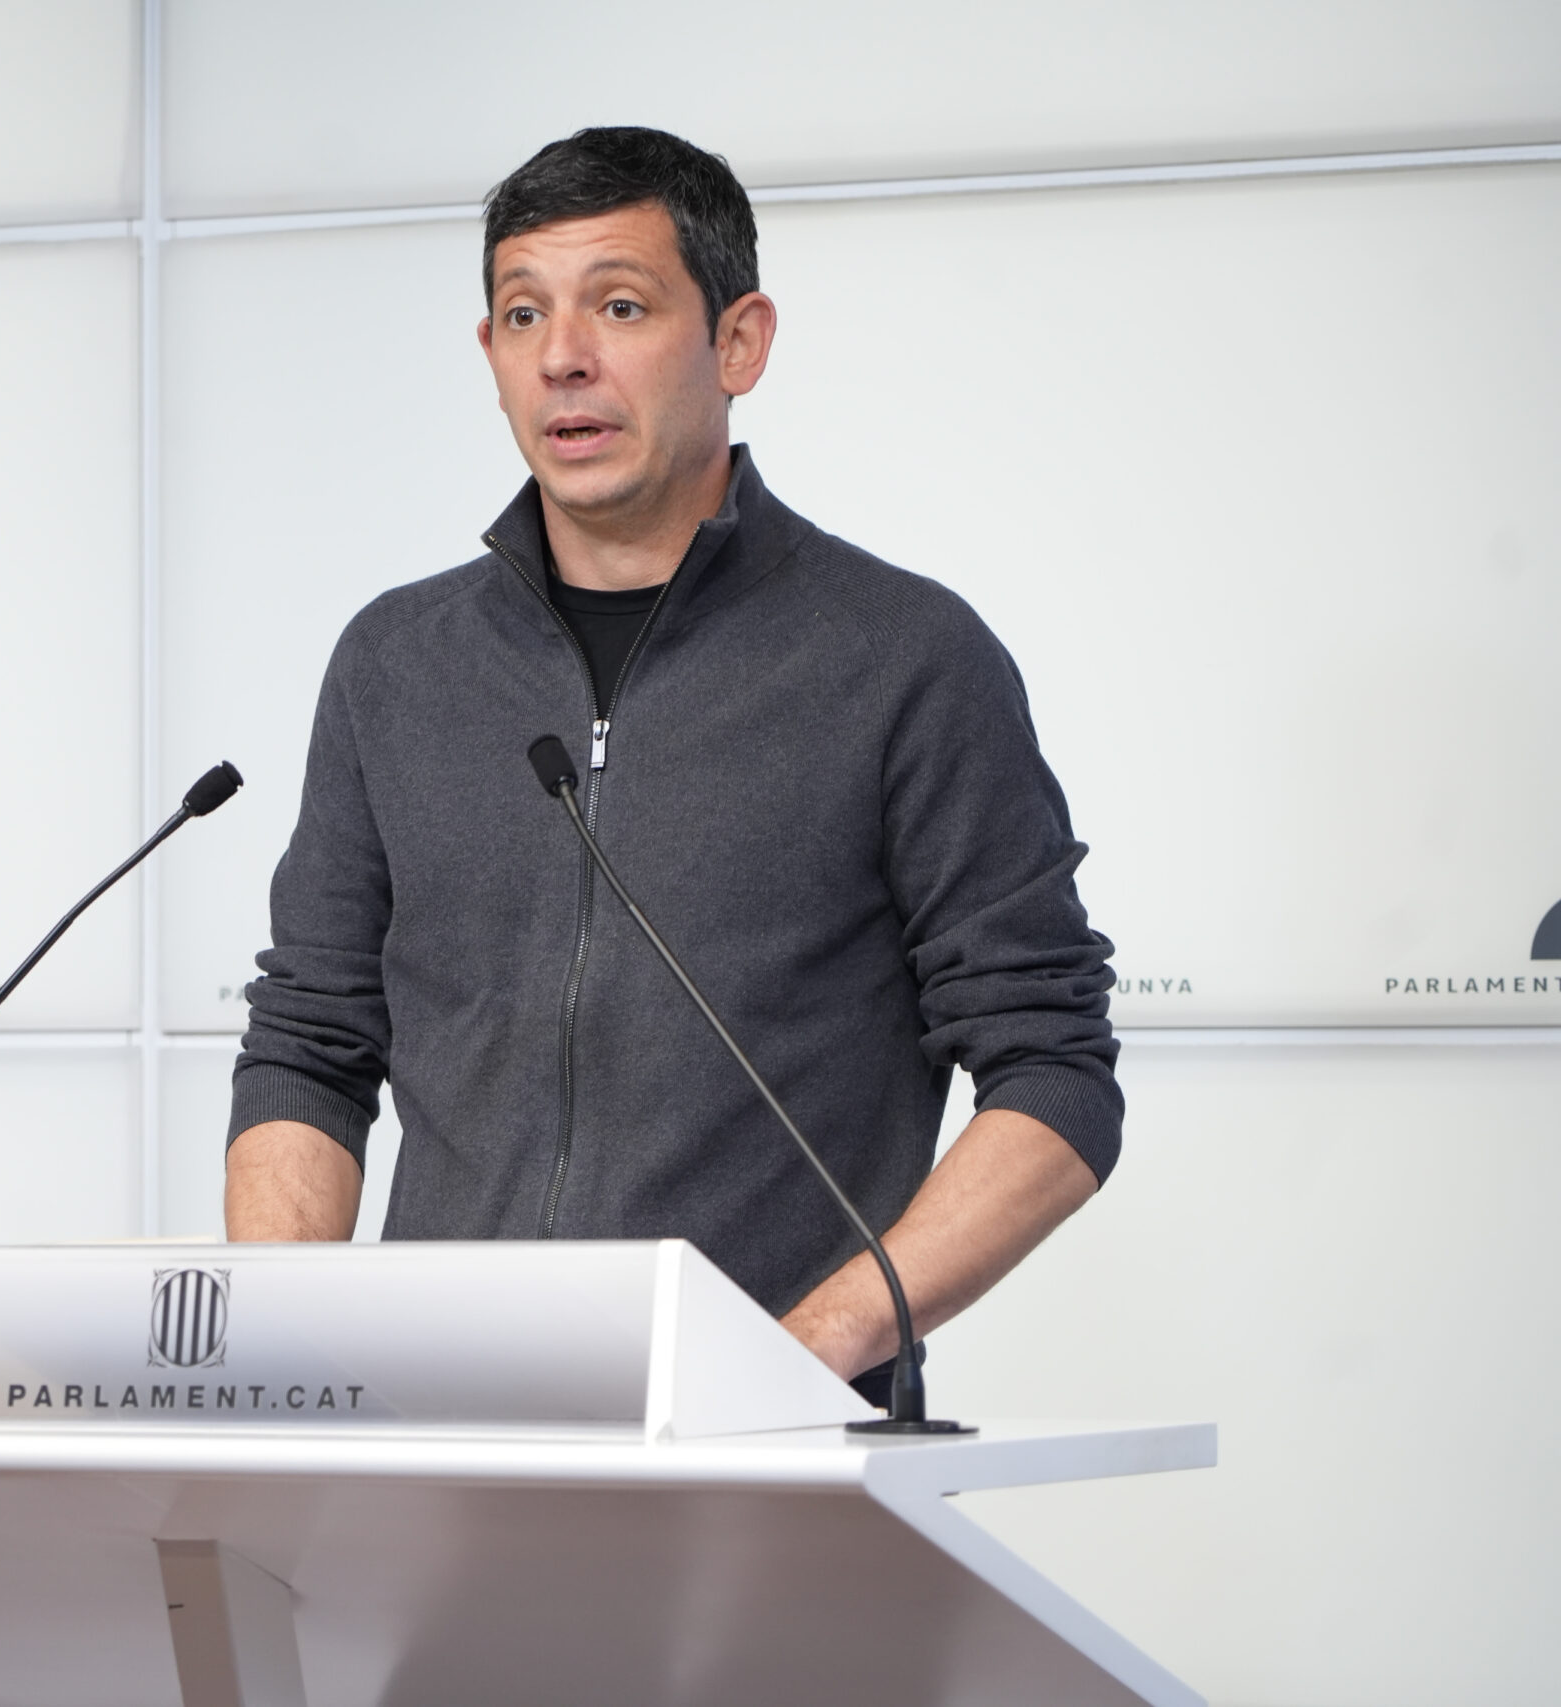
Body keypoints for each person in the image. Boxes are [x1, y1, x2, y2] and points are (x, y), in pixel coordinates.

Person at [222, 126, 1120, 1407]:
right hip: (437, 1434)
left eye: (621, 306)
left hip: (762, 1447)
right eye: (522, 314)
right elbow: (311, 1046)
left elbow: (1053, 1072)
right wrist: (280, 1366)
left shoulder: (902, 658)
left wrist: (796, 1359)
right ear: (491, 357)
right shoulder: (396, 664)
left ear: (738, 342)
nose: (562, 355)